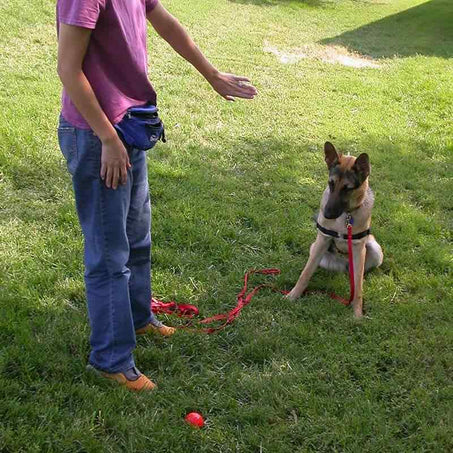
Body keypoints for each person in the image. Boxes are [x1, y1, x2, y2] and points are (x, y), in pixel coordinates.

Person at [56, 0, 257, 392]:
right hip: (98, 135)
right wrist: (107, 138)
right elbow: (68, 68)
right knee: (109, 253)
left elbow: (163, 20)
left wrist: (211, 74)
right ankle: (110, 361)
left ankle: (137, 317)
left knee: (138, 237)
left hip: (129, 125)